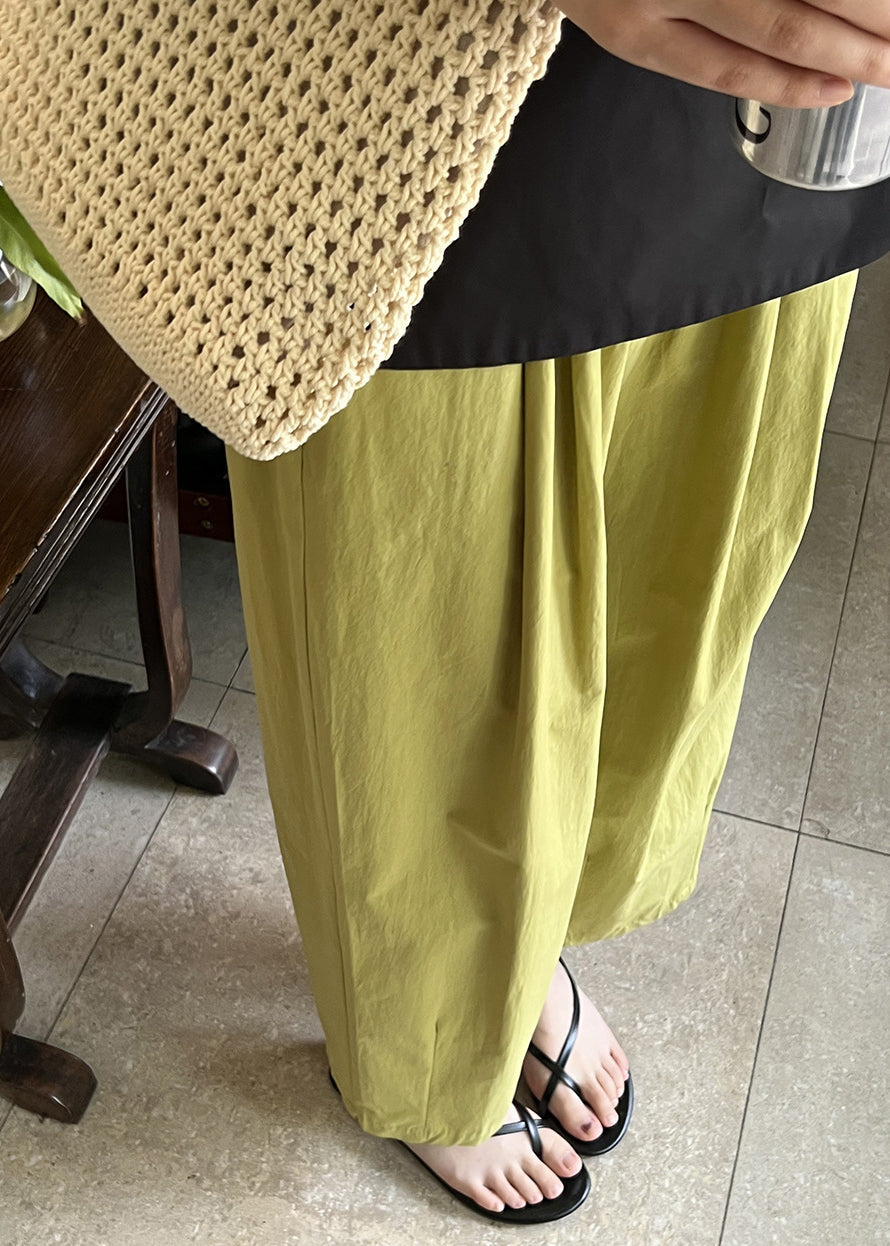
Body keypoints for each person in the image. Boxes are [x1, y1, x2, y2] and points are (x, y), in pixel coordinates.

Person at [225, 0, 890, 1225]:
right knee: (423, 599)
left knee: (673, 532)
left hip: (794, 101)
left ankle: (515, 951)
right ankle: (427, 1039)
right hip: (410, 81)